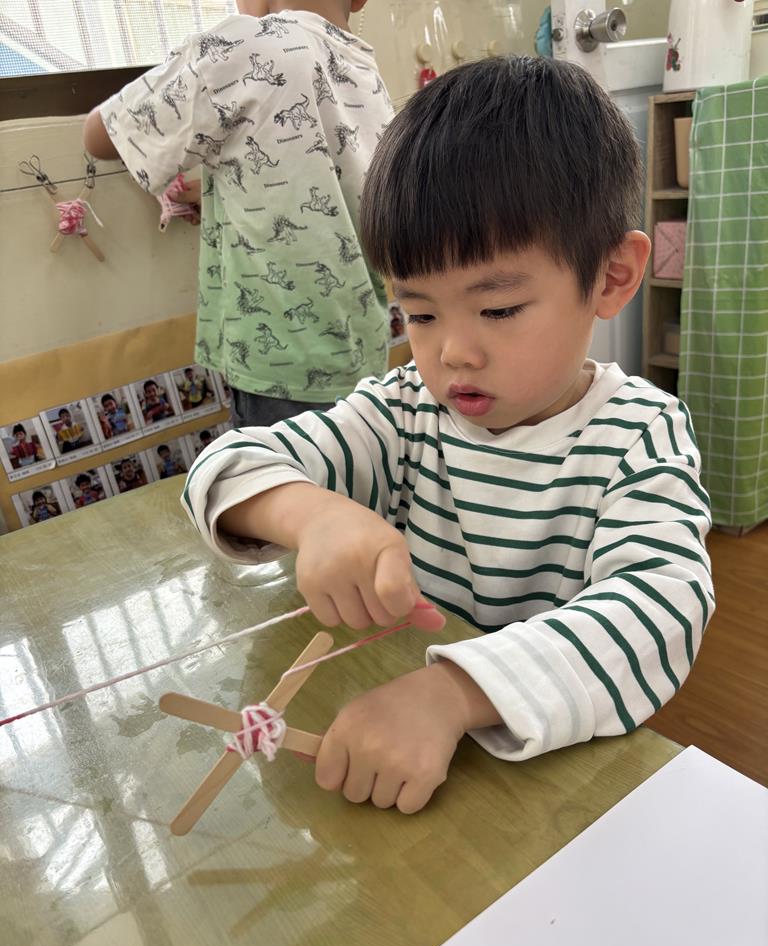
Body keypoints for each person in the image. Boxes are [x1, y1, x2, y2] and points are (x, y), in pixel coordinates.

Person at [182, 57, 715, 814]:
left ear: (611, 277)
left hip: (549, 778)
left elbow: (661, 609)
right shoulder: (406, 412)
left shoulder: (638, 435)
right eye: (421, 314)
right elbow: (228, 463)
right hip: (405, 750)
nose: (453, 353)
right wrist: (313, 515)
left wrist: (454, 692)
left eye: (497, 310)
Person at [83, 0, 393, 430]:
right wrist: (218, 188)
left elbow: (99, 136)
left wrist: (198, 59)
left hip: (284, 364)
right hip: (365, 347)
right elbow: (319, 172)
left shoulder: (242, 43)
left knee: (277, 472)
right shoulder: (362, 66)